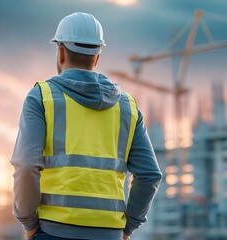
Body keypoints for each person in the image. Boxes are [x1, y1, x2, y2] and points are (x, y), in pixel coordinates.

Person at [10, 12, 162, 240]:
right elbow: (149, 175)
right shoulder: (128, 107)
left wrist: (28, 222)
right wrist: (128, 226)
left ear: (60, 52)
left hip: (53, 232)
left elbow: (26, 165)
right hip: (109, 234)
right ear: (97, 57)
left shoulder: (42, 97)